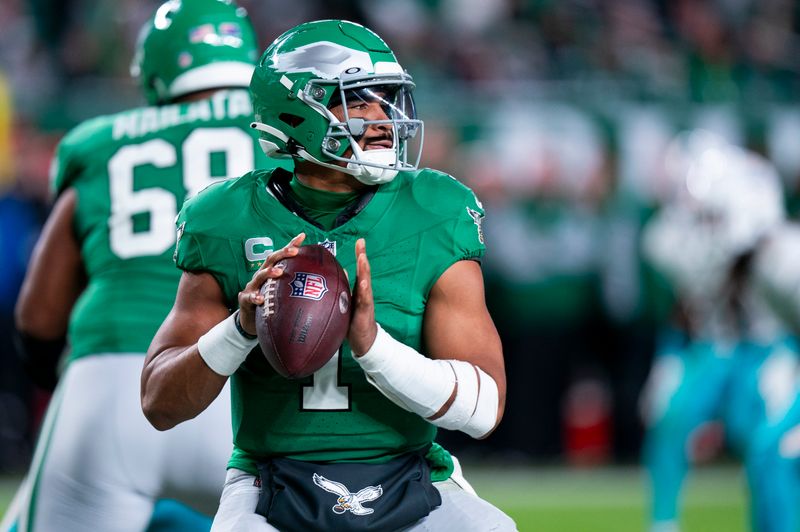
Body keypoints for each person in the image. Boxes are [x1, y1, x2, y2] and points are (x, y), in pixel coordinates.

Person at [141, 19, 517, 532]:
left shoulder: (433, 209)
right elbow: (159, 403)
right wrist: (240, 328)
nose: (384, 118)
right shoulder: (225, 217)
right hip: (270, 482)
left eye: (387, 99)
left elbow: (483, 407)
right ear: (297, 113)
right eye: (358, 100)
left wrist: (372, 346)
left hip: (410, 476)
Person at [4, 1, 289, 530]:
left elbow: (37, 317)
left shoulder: (101, 141)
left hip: (109, 387)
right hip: (240, 386)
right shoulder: (286, 138)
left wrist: (60, 377)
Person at [638, 130, 798, 532]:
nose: (707, 225)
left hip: (770, 347)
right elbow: (684, 308)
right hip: (718, 345)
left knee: (770, 446)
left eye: (715, 217)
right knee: (671, 414)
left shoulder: (782, 261)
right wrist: (670, 354)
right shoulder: (671, 240)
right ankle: (664, 522)